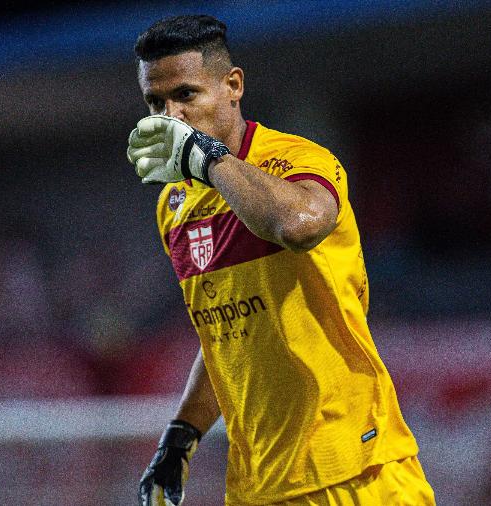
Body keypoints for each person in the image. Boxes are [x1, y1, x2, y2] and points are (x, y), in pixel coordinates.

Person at [127, 14, 435, 506]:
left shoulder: (295, 161)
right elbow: (229, 334)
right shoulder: (173, 207)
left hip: (355, 472)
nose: (170, 117)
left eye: (186, 95)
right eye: (155, 103)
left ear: (232, 86)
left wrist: (206, 158)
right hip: (258, 486)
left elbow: (298, 224)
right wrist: (181, 433)